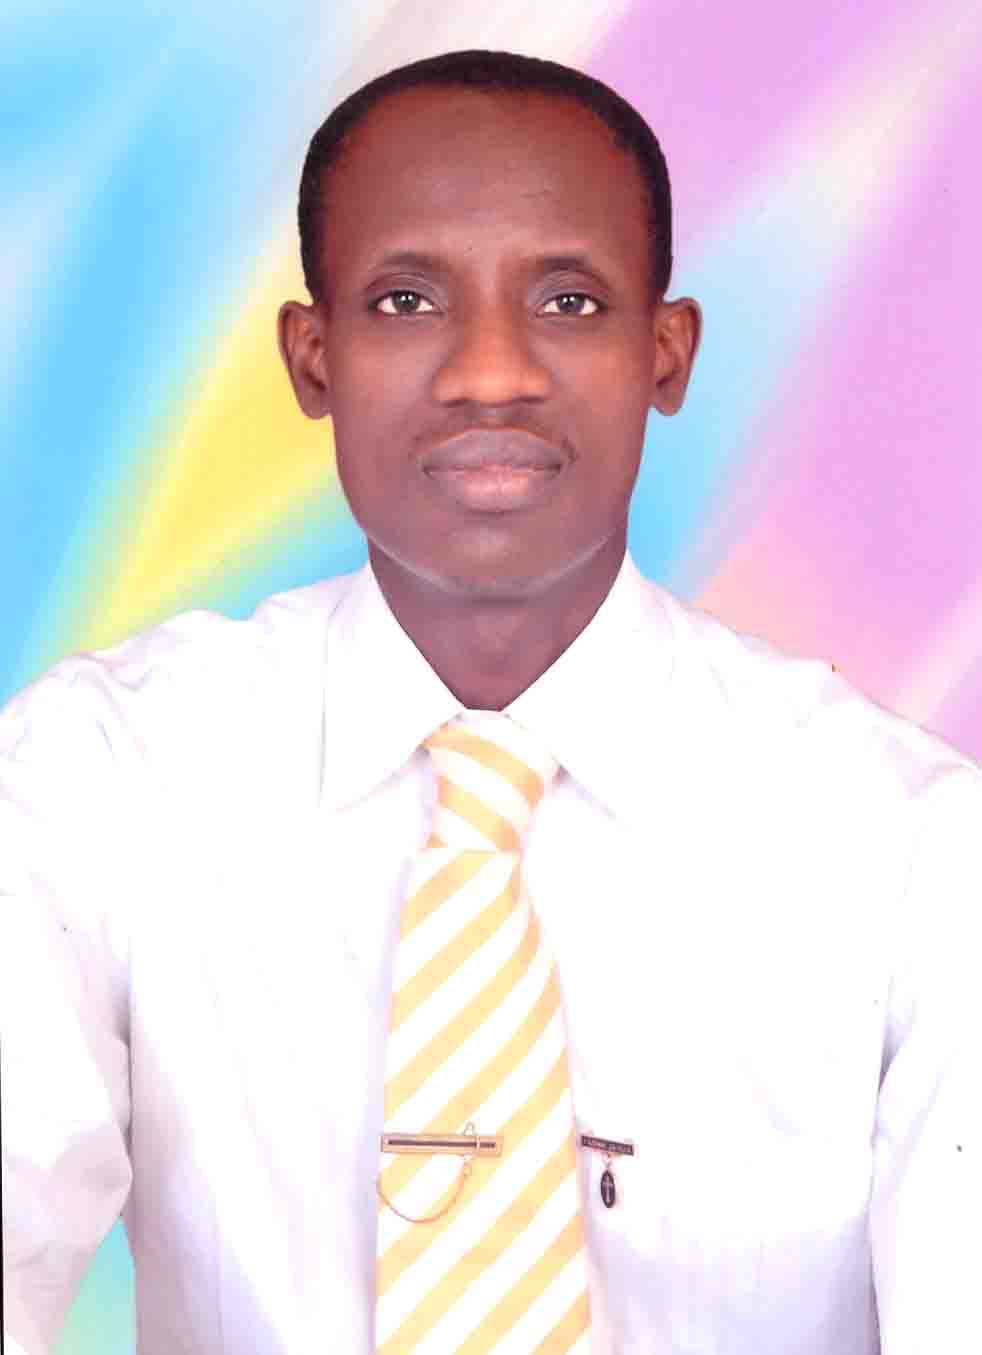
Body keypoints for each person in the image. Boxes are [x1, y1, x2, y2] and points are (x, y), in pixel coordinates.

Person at [1, 48, 978, 1355]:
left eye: (568, 302)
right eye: (406, 300)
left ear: (666, 352)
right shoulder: (101, 776)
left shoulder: (909, 847)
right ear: (312, 358)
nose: (490, 371)